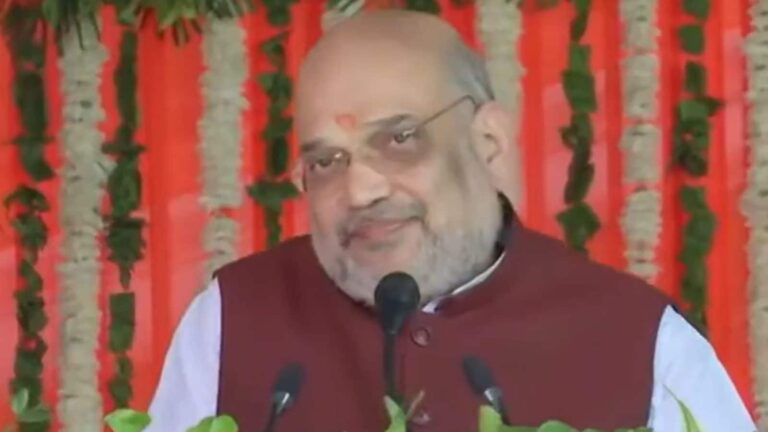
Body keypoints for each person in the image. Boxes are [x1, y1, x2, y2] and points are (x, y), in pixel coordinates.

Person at [145, 9, 756, 432]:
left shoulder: (642, 341)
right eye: (326, 161)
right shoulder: (233, 318)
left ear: (488, 142)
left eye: (400, 138)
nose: (360, 189)